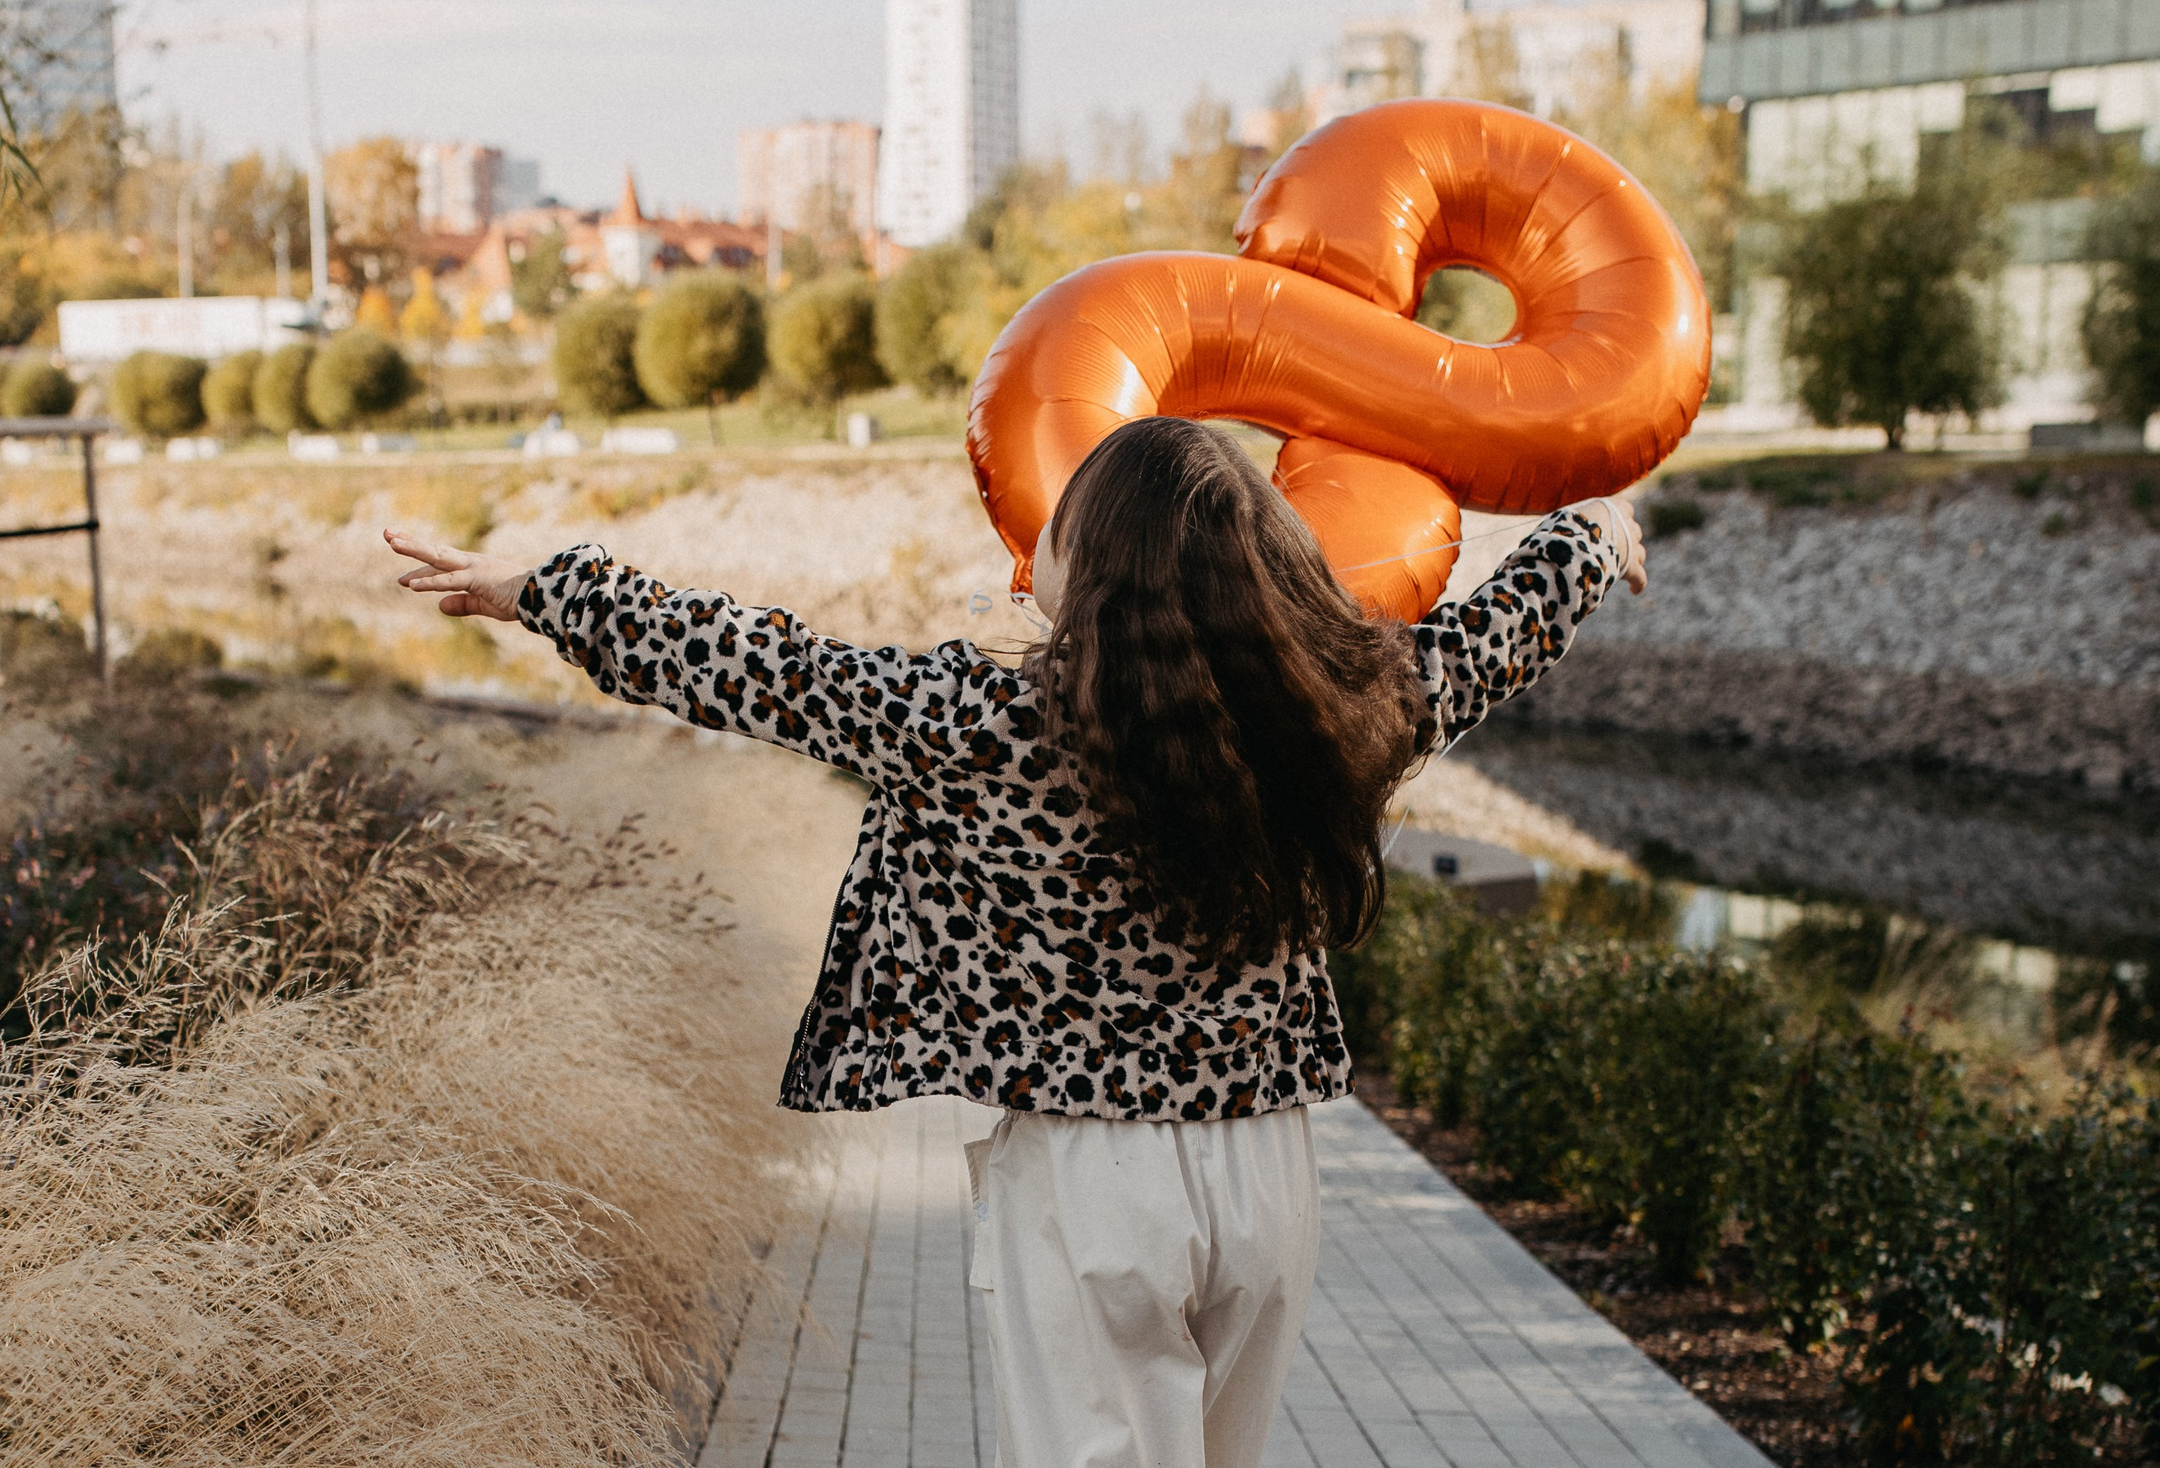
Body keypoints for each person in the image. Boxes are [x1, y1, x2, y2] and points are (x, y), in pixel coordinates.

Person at [383, 415, 1646, 1468]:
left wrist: (543, 590)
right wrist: (1588, 542)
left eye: (1055, 523)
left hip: (1095, 1186)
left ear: (1090, 564)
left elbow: (762, 668)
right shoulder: (1334, 709)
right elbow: (1484, 645)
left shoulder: (979, 723)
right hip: (1268, 1170)